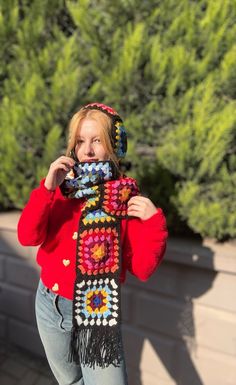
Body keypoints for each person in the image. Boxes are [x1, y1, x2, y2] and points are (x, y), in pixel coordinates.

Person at [17, 102, 168, 385]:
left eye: (96, 140)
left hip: (95, 314)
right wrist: (47, 188)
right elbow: (28, 237)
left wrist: (154, 224)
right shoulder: (62, 188)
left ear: (114, 146)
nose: (86, 150)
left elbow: (142, 268)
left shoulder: (124, 198)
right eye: (80, 141)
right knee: (71, 382)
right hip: (50, 305)